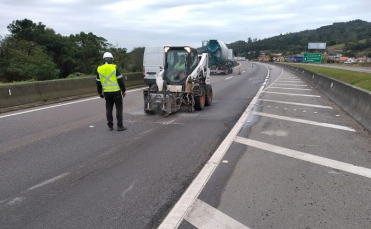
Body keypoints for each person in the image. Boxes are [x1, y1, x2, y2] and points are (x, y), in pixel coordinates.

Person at [96, 52, 127, 131]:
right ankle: (120, 126)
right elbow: (120, 80)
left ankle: (110, 126)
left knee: (109, 109)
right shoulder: (114, 67)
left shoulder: (99, 69)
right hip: (116, 92)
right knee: (119, 108)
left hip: (107, 93)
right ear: (111, 59)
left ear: (104, 59)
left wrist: (100, 92)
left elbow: (98, 83)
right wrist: (123, 90)